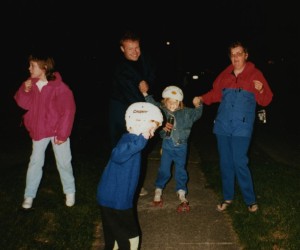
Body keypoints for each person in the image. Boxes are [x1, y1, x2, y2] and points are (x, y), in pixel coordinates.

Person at [193, 41, 273, 213]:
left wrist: (259, 90)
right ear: (230, 57)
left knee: (239, 161)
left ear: (246, 55)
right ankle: (227, 197)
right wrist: (201, 98)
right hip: (222, 125)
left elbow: (266, 100)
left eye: (239, 53)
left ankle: (250, 200)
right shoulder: (225, 75)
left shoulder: (255, 74)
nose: (236, 57)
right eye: (233, 54)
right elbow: (215, 94)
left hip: (242, 127)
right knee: (226, 163)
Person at [97, 102, 163, 250]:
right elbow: (117, 155)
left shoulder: (131, 142)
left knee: (114, 235)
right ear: (139, 123)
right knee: (130, 237)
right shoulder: (130, 141)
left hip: (113, 197)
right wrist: (141, 139)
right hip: (116, 199)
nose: (152, 134)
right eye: (151, 129)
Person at [14, 53, 76, 209]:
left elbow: (68, 111)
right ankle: (29, 195)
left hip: (57, 132)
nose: (29, 68)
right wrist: (25, 90)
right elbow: (23, 104)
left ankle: (70, 191)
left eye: (32, 65)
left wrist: (63, 134)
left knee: (63, 162)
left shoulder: (60, 87)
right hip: (39, 130)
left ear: (44, 67)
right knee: (35, 162)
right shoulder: (31, 84)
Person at [109, 30, 157, 197]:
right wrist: (141, 85)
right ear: (122, 49)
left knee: (140, 150)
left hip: (139, 108)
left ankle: (135, 184)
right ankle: (122, 186)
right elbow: (132, 91)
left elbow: (151, 77)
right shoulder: (120, 67)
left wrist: (146, 83)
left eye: (137, 47)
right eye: (130, 49)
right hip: (122, 112)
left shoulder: (144, 59)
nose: (135, 52)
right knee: (123, 149)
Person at [141, 85, 203, 212]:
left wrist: (198, 104)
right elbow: (152, 104)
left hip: (182, 147)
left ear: (180, 102)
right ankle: (158, 189)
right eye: (170, 102)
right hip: (167, 145)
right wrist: (145, 94)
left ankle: (181, 191)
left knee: (181, 169)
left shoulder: (186, 112)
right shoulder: (162, 111)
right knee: (164, 170)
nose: (173, 105)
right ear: (165, 102)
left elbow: (197, 114)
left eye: (176, 103)